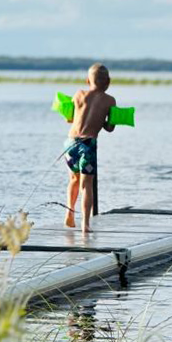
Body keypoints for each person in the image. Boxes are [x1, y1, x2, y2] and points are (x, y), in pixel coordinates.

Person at [63, 63, 116, 234]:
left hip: (70, 142)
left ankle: (69, 214)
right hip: (88, 144)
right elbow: (109, 128)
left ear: (87, 80)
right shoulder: (109, 100)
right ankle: (85, 224)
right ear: (108, 82)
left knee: (74, 179)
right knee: (87, 185)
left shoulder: (78, 94)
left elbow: (69, 119)